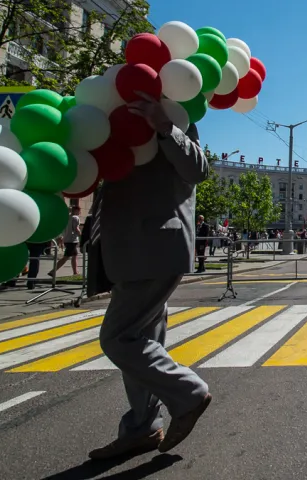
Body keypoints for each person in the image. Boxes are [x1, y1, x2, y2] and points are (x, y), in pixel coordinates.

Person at [88, 91, 212, 459]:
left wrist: (164, 125)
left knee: (118, 338)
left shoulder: (172, 119)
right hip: (127, 251)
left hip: (153, 248)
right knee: (142, 341)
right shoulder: (112, 122)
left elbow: (197, 170)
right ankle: (142, 428)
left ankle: (188, 393)